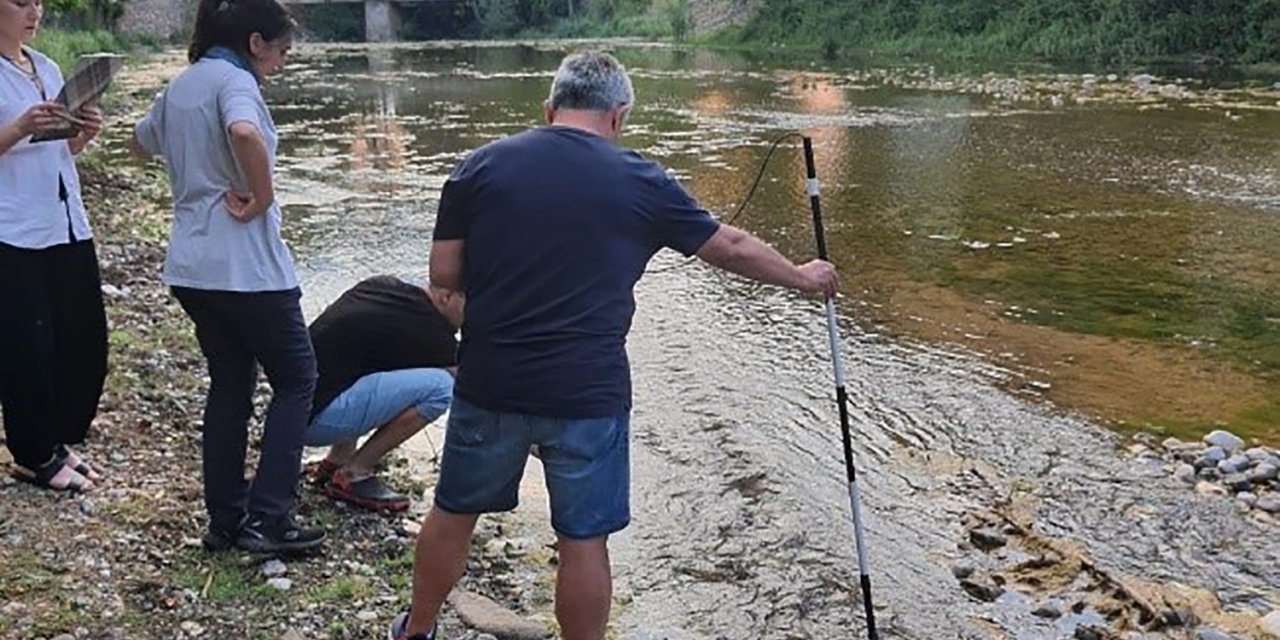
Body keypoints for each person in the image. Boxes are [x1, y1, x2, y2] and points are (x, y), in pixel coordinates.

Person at [389, 51, 839, 640]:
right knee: (583, 539)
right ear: (619, 115)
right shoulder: (642, 180)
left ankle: (416, 630)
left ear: (549, 108)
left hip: (491, 380)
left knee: (454, 514)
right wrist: (803, 277)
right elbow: (728, 244)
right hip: (587, 392)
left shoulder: (479, 166)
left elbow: (444, 274)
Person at [130, 0, 323, 554]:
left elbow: (140, 143)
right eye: (282, 50)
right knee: (296, 379)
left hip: (192, 267)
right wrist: (260, 196)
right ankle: (270, 518)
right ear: (255, 42)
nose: (283, 62)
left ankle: (226, 519)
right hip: (248, 267)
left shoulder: (182, 85)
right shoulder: (235, 83)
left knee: (231, 385)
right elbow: (244, 133)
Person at [0, 0, 108, 493]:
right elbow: (21, 138)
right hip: (13, 228)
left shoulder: (45, 66)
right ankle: (32, 454)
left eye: (38, 2)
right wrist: (21, 125)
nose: (34, 11)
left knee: (80, 337)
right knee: (28, 349)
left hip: (64, 220)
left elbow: (60, 150)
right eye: (21, 2)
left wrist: (80, 132)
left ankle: (57, 440)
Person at [304, 275, 463, 512]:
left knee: (364, 359)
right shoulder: (429, 333)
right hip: (313, 422)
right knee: (441, 387)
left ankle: (337, 461)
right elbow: (474, 382)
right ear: (446, 296)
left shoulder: (382, 287)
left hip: (290, 410)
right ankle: (354, 474)